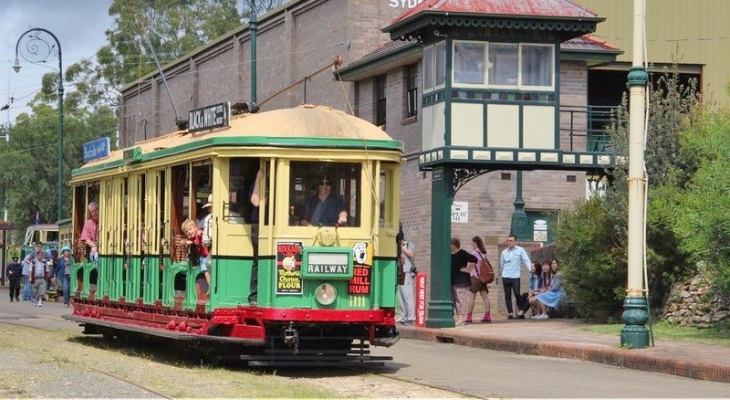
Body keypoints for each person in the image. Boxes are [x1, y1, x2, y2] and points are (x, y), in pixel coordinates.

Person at [498, 234, 531, 319]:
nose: (510, 242)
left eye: (511, 240)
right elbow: (502, 263)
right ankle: (510, 313)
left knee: (517, 293)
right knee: (507, 295)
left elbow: (526, 260)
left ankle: (521, 311)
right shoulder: (504, 252)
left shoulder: (520, 250)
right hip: (506, 276)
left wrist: (531, 269)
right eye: (508, 240)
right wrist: (503, 272)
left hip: (516, 276)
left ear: (515, 241)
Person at [181, 218, 211, 296]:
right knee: (203, 266)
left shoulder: (198, 232)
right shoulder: (193, 237)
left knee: (205, 267)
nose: (188, 232)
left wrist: (200, 234)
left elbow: (202, 233)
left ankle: (211, 285)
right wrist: (189, 242)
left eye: (190, 229)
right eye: (186, 231)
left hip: (208, 255)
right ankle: (210, 284)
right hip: (204, 256)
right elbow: (182, 242)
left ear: (195, 228)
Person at [450, 237, 477, 325]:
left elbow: (474, 259)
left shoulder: (462, 253)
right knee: (454, 300)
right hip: (453, 280)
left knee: (461, 300)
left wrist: (468, 269)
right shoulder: (449, 254)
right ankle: (458, 317)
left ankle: (461, 318)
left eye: (450, 245)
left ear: (454, 245)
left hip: (462, 280)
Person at [465, 236, 491, 323]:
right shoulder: (484, 253)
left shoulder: (474, 253)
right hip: (483, 278)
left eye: (472, 243)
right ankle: (487, 316)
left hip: (475, 278)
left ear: (475, 243)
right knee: (485, 297)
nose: (471, 245)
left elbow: (469, 266)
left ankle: (469, 317)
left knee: (471, 297)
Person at [396, 226, 416, 325]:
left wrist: (402, 247)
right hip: (398, 272)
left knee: (408, 295)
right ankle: (403, 316)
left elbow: (411, 254)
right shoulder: (395, 246)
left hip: (406, 271)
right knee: (400, 296)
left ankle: (411, 317)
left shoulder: (408, 244)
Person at [248, 169, 263, 305]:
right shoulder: (260, 182)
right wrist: (258, 179)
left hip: (275, 225)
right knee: (258, 261)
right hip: (259, 225)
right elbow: (255, 201)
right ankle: (254, 296)